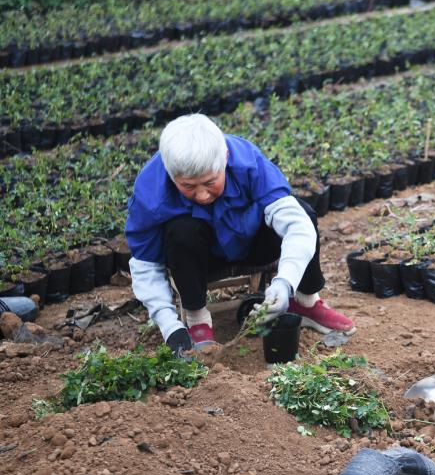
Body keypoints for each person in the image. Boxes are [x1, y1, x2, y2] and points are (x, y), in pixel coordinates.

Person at [125, 114, 355, 355]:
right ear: (171, 175)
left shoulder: (248, 162)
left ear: (224, 159)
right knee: (181, 231)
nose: (202, 195)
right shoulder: (150, 190)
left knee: (303, 214)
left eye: (211, 182)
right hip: (201, 260)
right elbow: (145, 263)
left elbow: (296, 224)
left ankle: (306, 302)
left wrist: (285, 282)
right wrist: (169, 326)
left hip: (252, 244)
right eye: (188, 186)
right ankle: (197, 320)